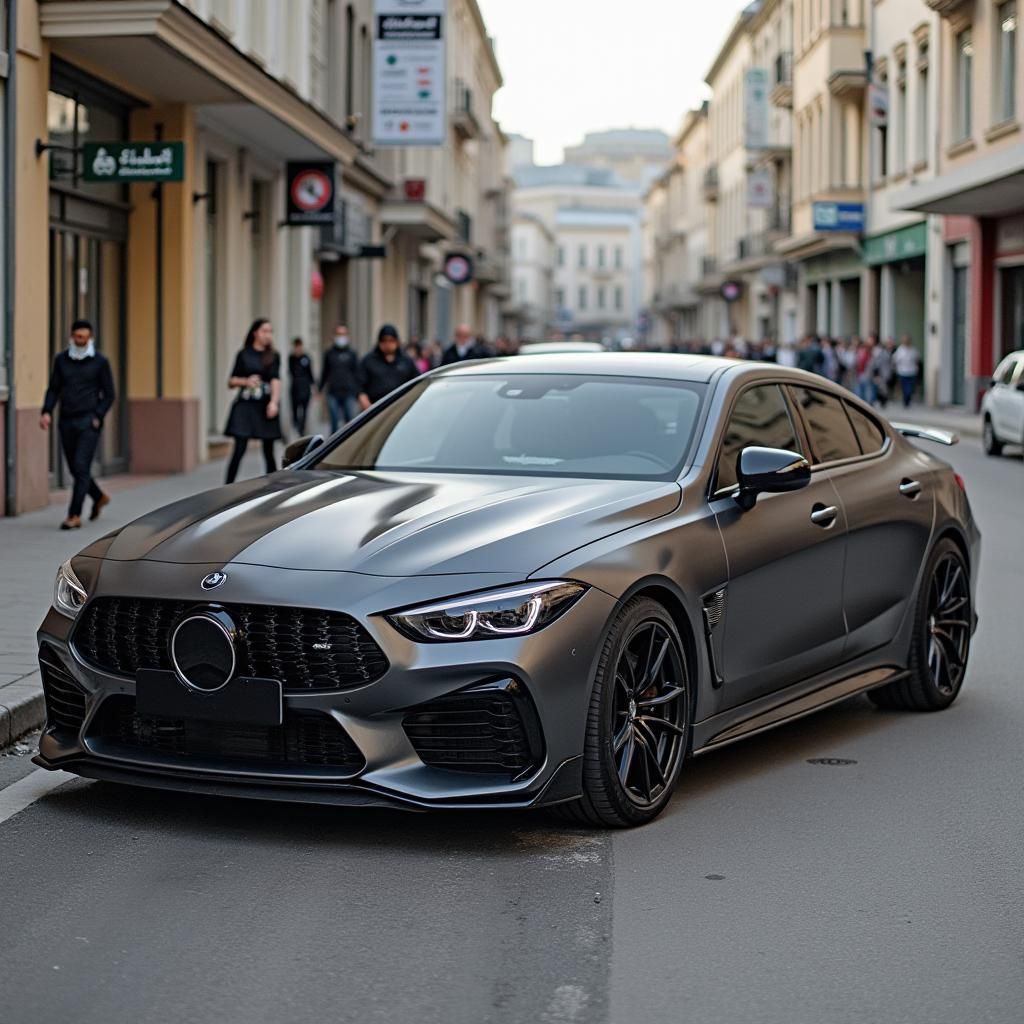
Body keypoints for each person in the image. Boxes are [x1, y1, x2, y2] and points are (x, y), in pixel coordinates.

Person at [40, 318, 115, 530]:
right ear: (72, 336)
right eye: (76, 336)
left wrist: (97, 415)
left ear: (90, 337)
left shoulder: (100, 362)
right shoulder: (62, 360)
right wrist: (46, 411)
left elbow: (109, 394)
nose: (80, 340)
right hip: (66, 420)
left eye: (83, 337)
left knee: (81, 466)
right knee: (75, 469)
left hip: (88, 421)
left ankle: (74, 515)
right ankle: (98, 496)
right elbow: (54, 388)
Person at [224, 318, 282, 484]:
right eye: (264, 331)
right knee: (239, 448)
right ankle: (228, 485)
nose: (268, 335)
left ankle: (273, 486)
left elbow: (276, 380)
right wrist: (246, 381)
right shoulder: (244, 354)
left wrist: (274, 402)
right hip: (245, 405)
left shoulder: (273, 356)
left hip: (264, 405)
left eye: (270, 332)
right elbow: (231, 381)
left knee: (268, 450)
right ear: (255, 332)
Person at [358, 325, 419, 409]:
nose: (388, 344)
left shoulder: (406, 361)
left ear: (397, 341)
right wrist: (369, 410)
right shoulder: (368, 361)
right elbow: (360, 389)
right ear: (379, 342)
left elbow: (417, 383)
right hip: (374, 410)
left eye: (391, 340)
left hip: (401, 409)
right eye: (384, 340)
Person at [319, 324, 361, 433]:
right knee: (334, 421)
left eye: (343, 334)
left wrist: (358, 392)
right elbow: (325, 372)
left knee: (349, 421)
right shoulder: (329, 353)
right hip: (333, 392)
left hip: (348, 392)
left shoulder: (352, 354)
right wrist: (320, 388)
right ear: (334, 336)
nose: (341, 337)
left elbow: (357, 373)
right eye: (338, 334)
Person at [288, 337, 315, 436]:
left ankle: (302, 428)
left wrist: (313, 387)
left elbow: (310, 373)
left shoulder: (306, 358)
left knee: (304, 410)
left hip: (305, 387)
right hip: (295, 387)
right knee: (295, 408)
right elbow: (291, 371)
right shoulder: (292, 358)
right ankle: (296, 424)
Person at [893, 335, 921, 408]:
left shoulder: (913, 350)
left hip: (912, 372)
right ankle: (906, 401)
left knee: (910, 388)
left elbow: (917, 359)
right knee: (904, 388)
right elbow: (895, 359)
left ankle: (908, 399)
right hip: (902, 372)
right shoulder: (900, 350)